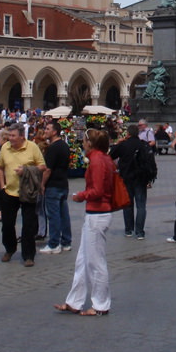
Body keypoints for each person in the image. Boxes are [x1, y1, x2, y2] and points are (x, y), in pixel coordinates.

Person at [54, 128, 116, 316]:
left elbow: (97, 191)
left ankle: (101, 305)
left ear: (90, 142)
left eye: (83, 140)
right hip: (96, 213)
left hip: (98, 214)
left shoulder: (97, 160)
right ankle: (74, 301)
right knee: (82, 261)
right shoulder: (105, 158)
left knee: (95, 262)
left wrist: (80, 195)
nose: (82, 143)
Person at [0, 123, 46, 267]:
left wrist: (26, 170)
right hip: (9, 192)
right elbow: (0, 168)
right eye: (9, 135)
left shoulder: (32, 147)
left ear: (22, 136)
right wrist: (2, 186)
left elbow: (42, 166)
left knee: (28, 225)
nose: (10, 138)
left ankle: (28, 255)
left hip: (28, 191)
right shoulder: (5, 148)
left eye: (13, 136)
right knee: (7, 224)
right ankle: (10, 248)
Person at [110, 123, 153, 239]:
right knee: (141, 206)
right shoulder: (143, 145)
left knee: (128, 205)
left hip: (127, 178)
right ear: (137, 133)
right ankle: (139, 232)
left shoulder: (124, 144)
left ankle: (128, 230)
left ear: (128, 133)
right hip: (141, 179)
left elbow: (110, 155)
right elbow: (150, 163)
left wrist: (117, 143)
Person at [40, 121, 72, 253]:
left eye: (47, 129)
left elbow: (48, 169)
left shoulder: (53, 147)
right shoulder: (64, 145)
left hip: (53, 185)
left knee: (53, 215)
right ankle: (66, 242)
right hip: (63, 184)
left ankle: (54, 244)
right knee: (64, 214)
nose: (45, 131)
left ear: (54, 132)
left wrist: (42, 184)